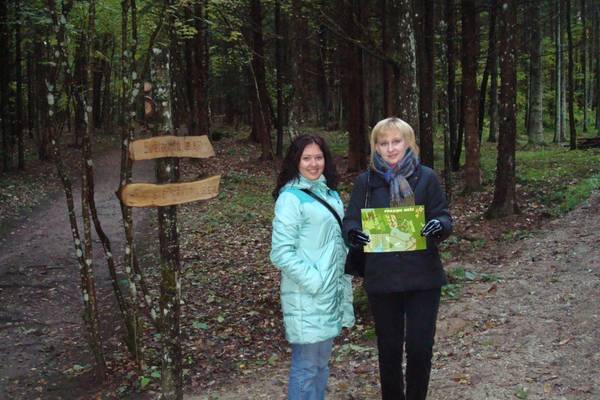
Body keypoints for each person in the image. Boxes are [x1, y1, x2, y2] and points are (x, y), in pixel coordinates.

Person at [342, 117, 452, 400]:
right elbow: (351, 220)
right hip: (383, 277)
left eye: (396, 141)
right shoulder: (365, 182)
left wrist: (438, 226)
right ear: (375, 147)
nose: (390, 148)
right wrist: (354, 233)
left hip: (423, 276)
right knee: (389, 350)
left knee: (420, 348)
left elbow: (443, 216)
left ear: (408, 143)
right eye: (383, 143)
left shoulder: (426, 177)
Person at [270, 134, 355, 400]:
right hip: (307, 295)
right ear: (295, 161)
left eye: (318, 157)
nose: (313, 164)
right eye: (306, 158)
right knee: (306, 367)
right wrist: (317, 282)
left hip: (330, 293)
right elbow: (281, 253)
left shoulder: (329, 193)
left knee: (320, 365)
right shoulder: (291, 198)